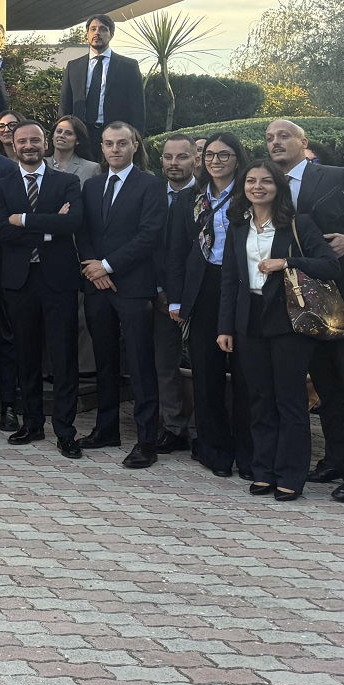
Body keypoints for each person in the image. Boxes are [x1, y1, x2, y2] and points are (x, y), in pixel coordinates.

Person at [263, 118, 344, 503]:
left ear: (304, 142)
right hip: (297, 303)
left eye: (284, 135)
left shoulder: (335, 177)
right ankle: (338, 458)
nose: (276, 142)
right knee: (325, 386)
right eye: (269, 138)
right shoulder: (265, 183)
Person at [217, 160, 343, 501]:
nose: (258, 187)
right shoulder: (238, 226)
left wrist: (287, 262)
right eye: (251, 181)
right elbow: (230, 280)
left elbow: (331, 265)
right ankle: (264, 471)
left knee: (288, 400)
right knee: (259, 400)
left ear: (278, 188)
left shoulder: (298, 223)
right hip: (248, 320)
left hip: (289, 320)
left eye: (266, 182)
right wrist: (225, 327)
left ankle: (290, 475)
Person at [77, 122, 167, 468]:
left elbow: (149, 235)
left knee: (141, 365)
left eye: (122, 143)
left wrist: (108, 266)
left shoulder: (151, 185)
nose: (115, 149)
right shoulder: (93, 185)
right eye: (109, 144)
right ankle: (106, 429)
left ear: (134, 146)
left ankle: (146, 442)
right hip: (98, 287)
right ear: (101, 148)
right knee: (104, 361)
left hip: (131, 287)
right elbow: (83, 231)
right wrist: (92, 267)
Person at [0, 120, 85, 457]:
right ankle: (31, 423)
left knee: (63, 358)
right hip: (19, 280)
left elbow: (73, 223)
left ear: (45, 143)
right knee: (26, 355)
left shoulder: (68, 181)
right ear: (13, 146)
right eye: (22, 141)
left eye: (35, 140)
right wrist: (50, 227)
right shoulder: (3, 186)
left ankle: (65, 430)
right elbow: (2, 231)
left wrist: (26, 220)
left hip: (58, 280)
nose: (29, 146)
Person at [165, 131, 252, 479]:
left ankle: (248, 451)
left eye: (224, 155)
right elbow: (175, 252)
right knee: (206, 372)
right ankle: (214, 449)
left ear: (237, 158)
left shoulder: (252, 194)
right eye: (211, 155)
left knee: (246, 373)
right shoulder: (191, 199)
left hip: (244, 288)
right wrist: (176, 299)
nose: (216, 161)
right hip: (203, 289)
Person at [150, 133, 200, 454]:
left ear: (196, 159)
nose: (173, 163)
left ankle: (200, 430)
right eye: (168, 157)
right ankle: (172, 427)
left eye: (181, 157)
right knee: (164, 364)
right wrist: (158, 289)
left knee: (203, 366)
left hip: (199, 297)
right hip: (159, 296)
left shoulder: (209, 196)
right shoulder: (151, 193)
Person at [58, 14, 147, 150]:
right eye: (93, 29)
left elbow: (137, 107)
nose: (97, 33)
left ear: (111, 34)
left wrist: (136, 138)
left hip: (115, 136)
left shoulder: (127, 66)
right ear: (87, 34)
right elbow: (65, 105)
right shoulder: (73, 66)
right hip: (81, 135)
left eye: (103, 29)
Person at [47, 116, 101, 184]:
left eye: (68, 133)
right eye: (59, 131)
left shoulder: (91, 168)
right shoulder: (40, 163)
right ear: (52, 136)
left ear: (77, 140)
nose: (61, 135)